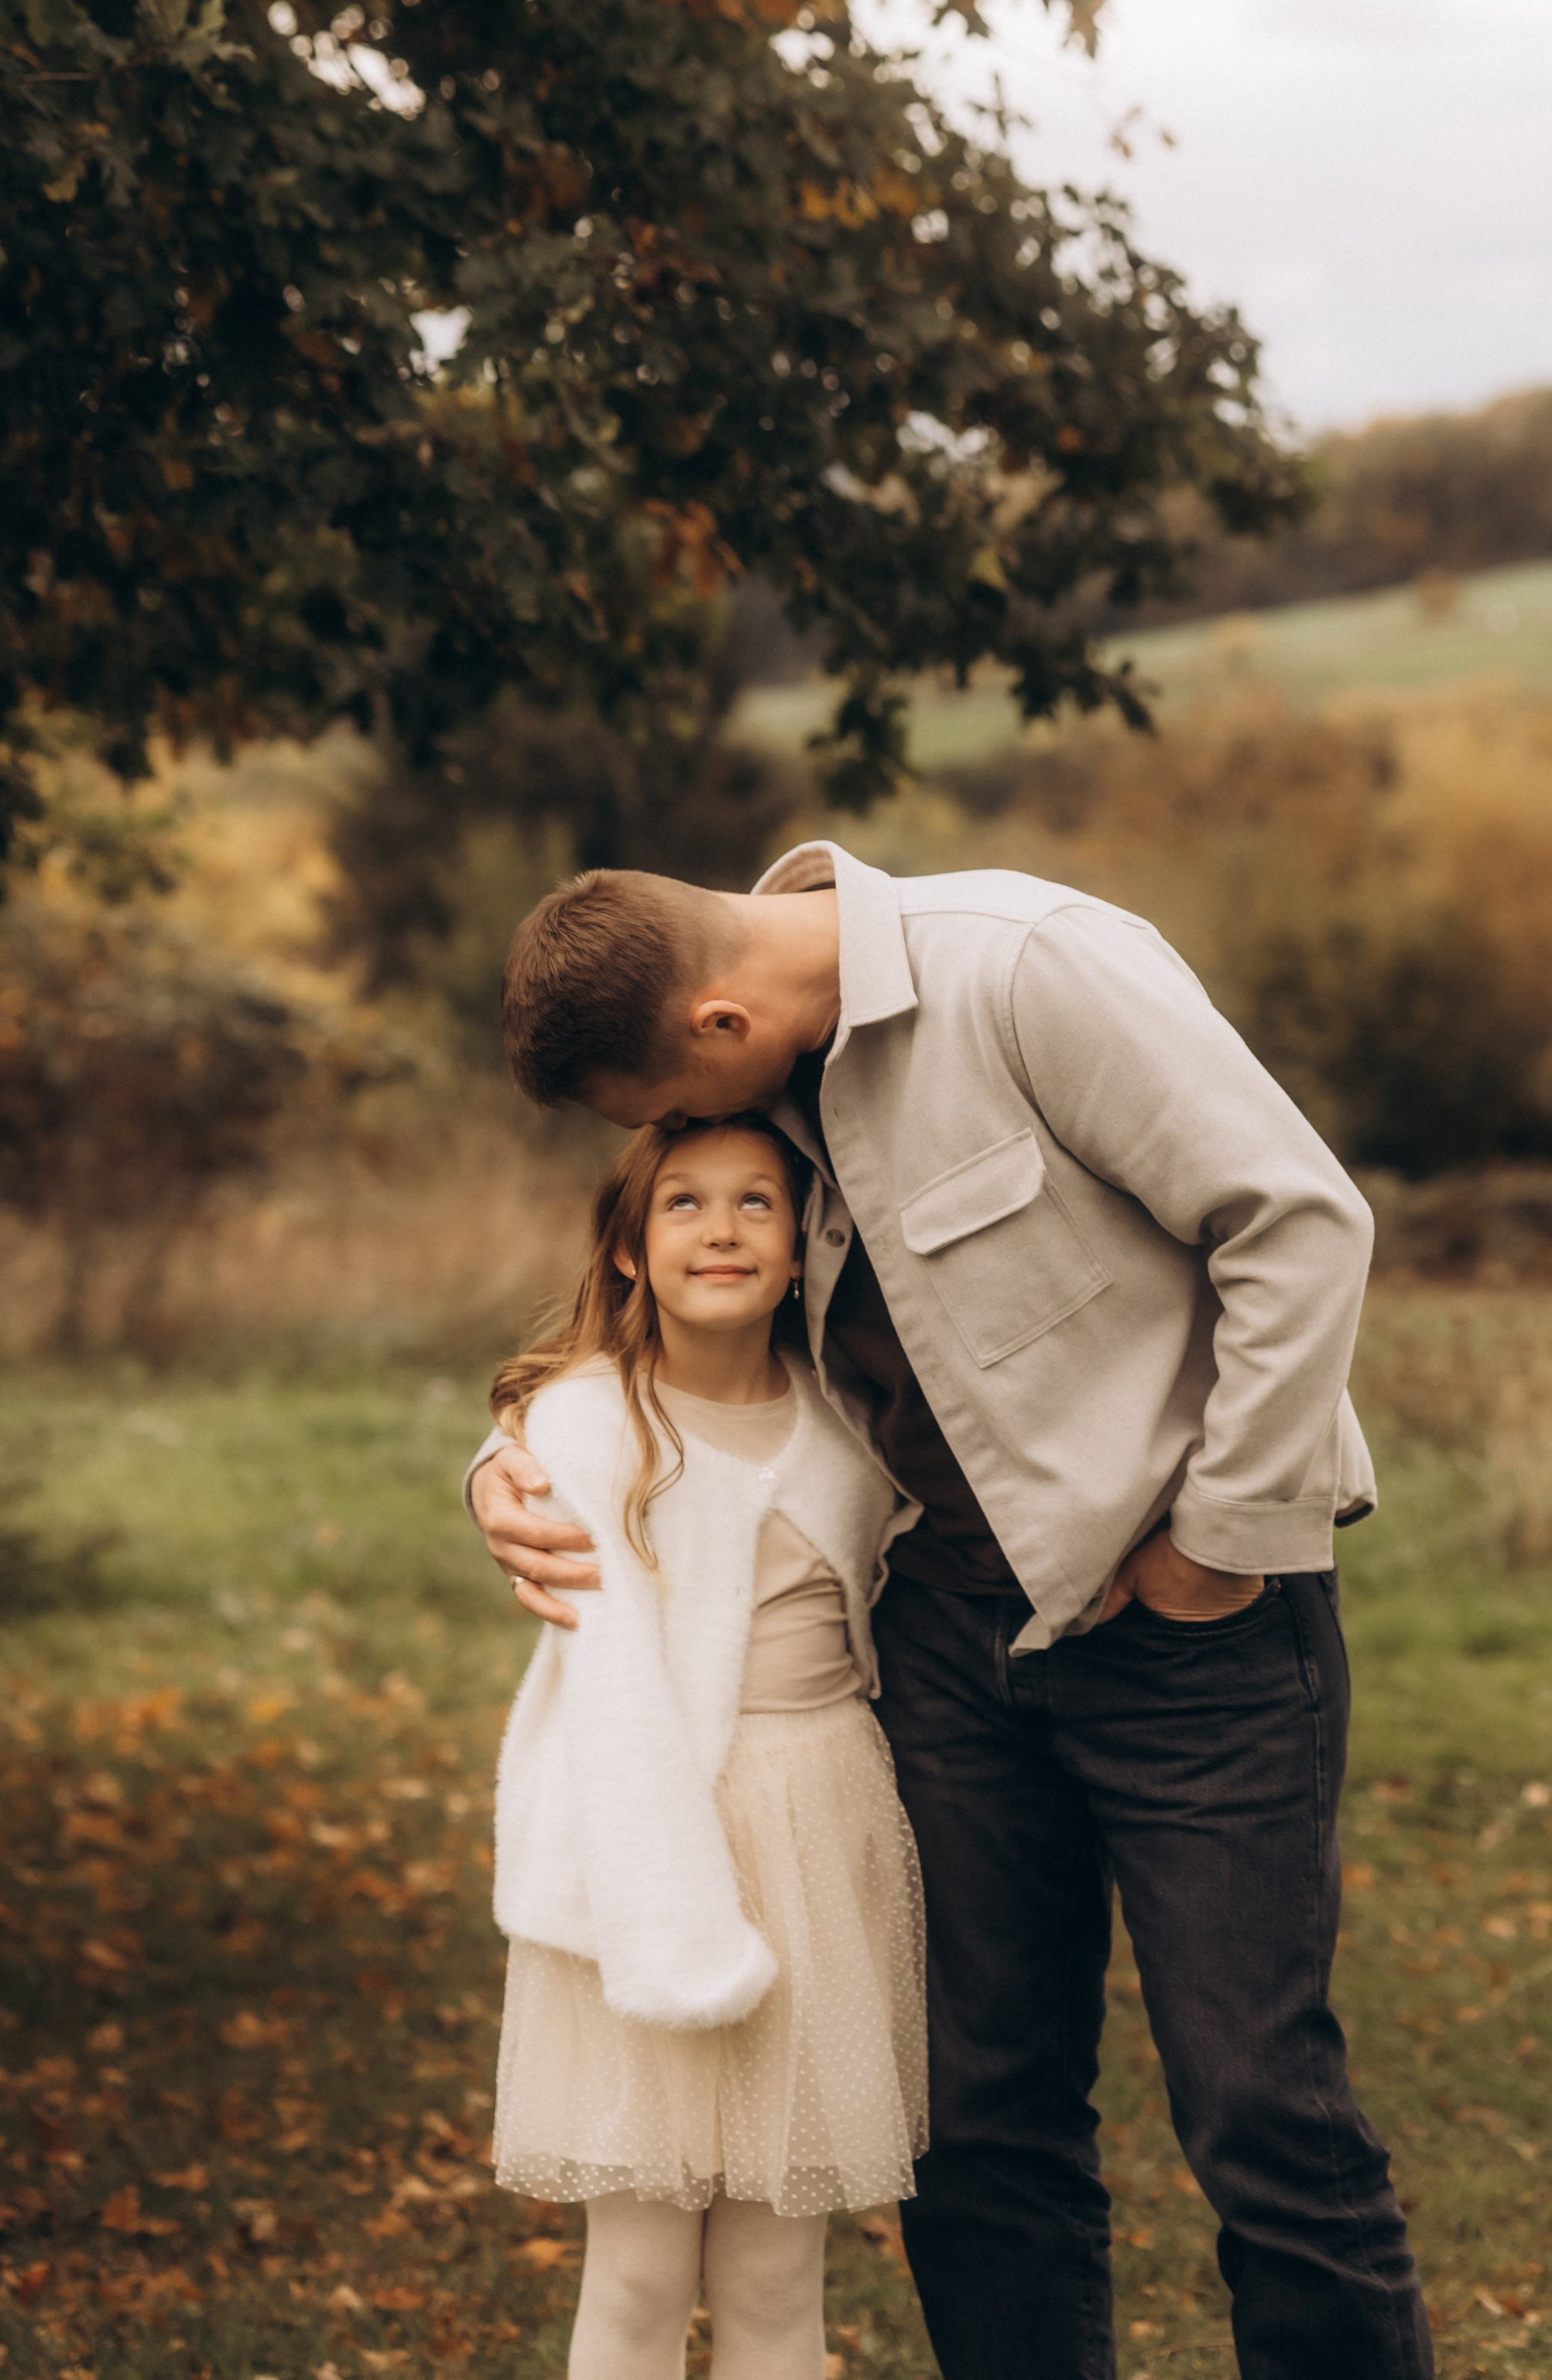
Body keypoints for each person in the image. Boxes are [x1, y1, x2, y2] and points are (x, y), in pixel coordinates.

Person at [471, 839, 1437, 2380]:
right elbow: (690, 1356)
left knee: (1256, 2104)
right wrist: (508, 1465)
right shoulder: (763, 1077)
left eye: (661, 1103)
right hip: (933, 1644)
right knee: (983, 2119)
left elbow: (1299, 1224)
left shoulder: (1029, 966)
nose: (678, 1137)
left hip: (1192, 1637)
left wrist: (1216, 1547)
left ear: (716, 1023)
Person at [477, 1109, 926, 2380]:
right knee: (639, 2268)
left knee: (781, 2271)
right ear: (628, 1247)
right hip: (643, 1845)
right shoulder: (587, 1426)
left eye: (756, 1204)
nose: (721, 1230)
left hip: (818, 1828)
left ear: (804, 1248)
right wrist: (665, 1918)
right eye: (683, 1203)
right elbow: (610, 1686)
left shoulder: (852, 1424)